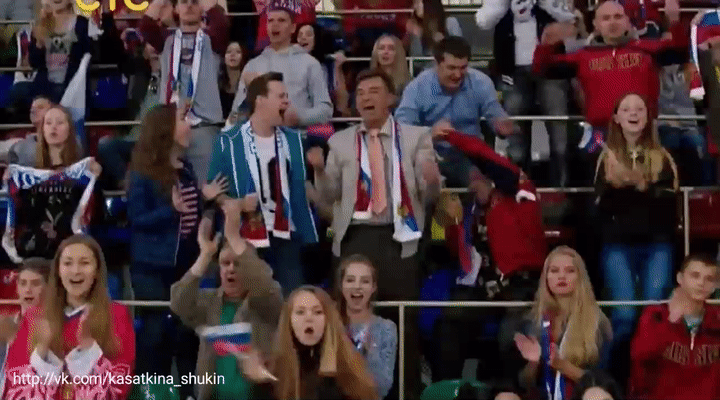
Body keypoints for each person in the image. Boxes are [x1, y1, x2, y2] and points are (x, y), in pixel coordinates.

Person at [312, 68, 440, 398]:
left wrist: (432, 181)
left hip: (400, 238)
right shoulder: (339, 141)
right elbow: (328, 197)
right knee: (348, 319)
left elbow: (428, 193)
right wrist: (319, 171)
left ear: (391, 98)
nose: (365, 98)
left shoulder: (416, 136)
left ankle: (406, 392)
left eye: (373, 91)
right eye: (360, 93)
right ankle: (346, 390)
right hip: (354, 236)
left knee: (403, 320)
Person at [127, 103, 218, 399]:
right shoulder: (142, 173)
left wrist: (206, 202)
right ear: (166, 128)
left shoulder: (186, 168)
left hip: (185, 265)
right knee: (156, 334)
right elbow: (135, 218)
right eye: (182, 119)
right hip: (152, 267)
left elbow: (190, 217)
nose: (189, 125)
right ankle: (154, 394)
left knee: (186, 333)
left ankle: (189, 394)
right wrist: (170, 211)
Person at [208, 72, 318, 294]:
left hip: (287, 236)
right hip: (245, 237)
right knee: (247, 302)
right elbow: (213, 189)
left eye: (287, 96)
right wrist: (236, 203)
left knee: (290, 301)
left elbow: (300, 187)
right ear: (260, 100)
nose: (286, 102)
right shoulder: (228, 140)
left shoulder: (295, 140)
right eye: (281, 96)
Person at [532, 0, 687, 156]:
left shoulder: (647, 49)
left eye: (618, 17)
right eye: (606, 18)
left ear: (627, 22)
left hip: (643, 133)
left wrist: (674, 22)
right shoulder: (583, 56)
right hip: (601, 137)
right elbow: (543, 69)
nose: (612, 22)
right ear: (596, 25)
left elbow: (681, 52)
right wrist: (547, 43)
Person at [170, 201, 284, 400]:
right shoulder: (209, 302)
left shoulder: (265, 303)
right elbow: (178, 303)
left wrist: (233, 236)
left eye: (238, 264)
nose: (231, 269)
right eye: (225, 263)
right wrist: (205, 256)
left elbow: (266, 283)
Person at [2, 235, 135, 400]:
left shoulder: (117, 315)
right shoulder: (35, 317)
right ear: (58, 270)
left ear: (97, 271)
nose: (75, 271)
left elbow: (117, 389)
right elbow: (15, 389)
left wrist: (88, 349)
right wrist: (42, 351)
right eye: (67, 263)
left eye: (84, 263)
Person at [595, 92, 678, 349]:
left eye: (640, 109)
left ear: (648, 117)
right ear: (616, 118)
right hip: (618, 244)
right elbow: (598, 209)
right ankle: (618, 370)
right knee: (624, 315)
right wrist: (617, 187)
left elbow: (670, 206)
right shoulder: (604, 158)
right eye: (627, 109)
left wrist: (642, 186)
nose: (634, 113)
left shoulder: (664, 157)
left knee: (653, 314)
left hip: (657, 244)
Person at [475, 0, 576, 186]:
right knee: (515, 136)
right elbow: (483, 21)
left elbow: (570, 17)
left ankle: (562, 189)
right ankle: (519, 187)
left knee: (559, 131)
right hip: (511, 71)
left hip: (552, 68)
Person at [395, 36, 514, 189]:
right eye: (451, 68)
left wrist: (501, 124)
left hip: (468, 154)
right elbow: (402, 130)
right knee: (428, 178)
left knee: (481, 183)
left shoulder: (481, 82)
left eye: (463, 68)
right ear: (437, 64)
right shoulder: (417, 88)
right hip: (430, 152)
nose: (458, 75)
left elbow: (494, 111)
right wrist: (430, 134)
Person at [139, 0, 230, 184]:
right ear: (176, 8)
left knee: (206, 187)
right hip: (170, 127)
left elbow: (221, 23)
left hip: (203, 127)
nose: (189, 6)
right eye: (184, 2)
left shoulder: (213, 40)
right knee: (168, 189)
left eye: (194, 2)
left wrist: (205, 3)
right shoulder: (167, 40)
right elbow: (146, 26)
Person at [513, 246, 612, 400]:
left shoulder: (597, 321)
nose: (561, 276)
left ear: (580, 277)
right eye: (554, 271)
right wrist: (534, 363)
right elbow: (523, 385)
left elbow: (604, 383)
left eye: (570, 271)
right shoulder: (532, 320)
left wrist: (564, 367)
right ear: (546, 278)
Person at [246, 285, 378, 399]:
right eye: (300, 312)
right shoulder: (273, 374)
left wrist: (328, 375)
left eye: (317, 312)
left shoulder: (349, 371)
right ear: (289, 321)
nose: (309, 318)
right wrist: (260, 385)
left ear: (328, 320)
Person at [629, 255, 720, 400]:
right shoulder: (655, 315)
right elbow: (640, 356)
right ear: (680, 278)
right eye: (695, 276)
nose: (701, 283)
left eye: (709, 279)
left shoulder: (717, 319)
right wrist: (671, 321)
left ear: (715, 285)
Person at [230, 4, 332, 128]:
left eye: (281, 20)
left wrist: (298, 117)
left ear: (293, 27)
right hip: (259, 135)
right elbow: (236, 113)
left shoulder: (310, 63)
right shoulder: (252, 65)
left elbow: (325, 109)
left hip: (298, 134)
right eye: (270, 21)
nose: (275, 25)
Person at [335, 254, 398, 399]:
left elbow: (383, 387)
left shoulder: (386, 328)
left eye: (365, 281)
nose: (357, 286)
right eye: (350, 280)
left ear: (373, 287)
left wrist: (372, 350)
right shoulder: (329, 324)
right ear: (341, 285)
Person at [0, 258, 50, 395]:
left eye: (35, 284)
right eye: (23, 283)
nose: (28, 290)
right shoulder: (7, 324)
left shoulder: (59, 327)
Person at [7, 96, 52, 167]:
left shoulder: (64, 145)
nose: (33, 110)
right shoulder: (17, 147)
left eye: (40, 107)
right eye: (32, 108)